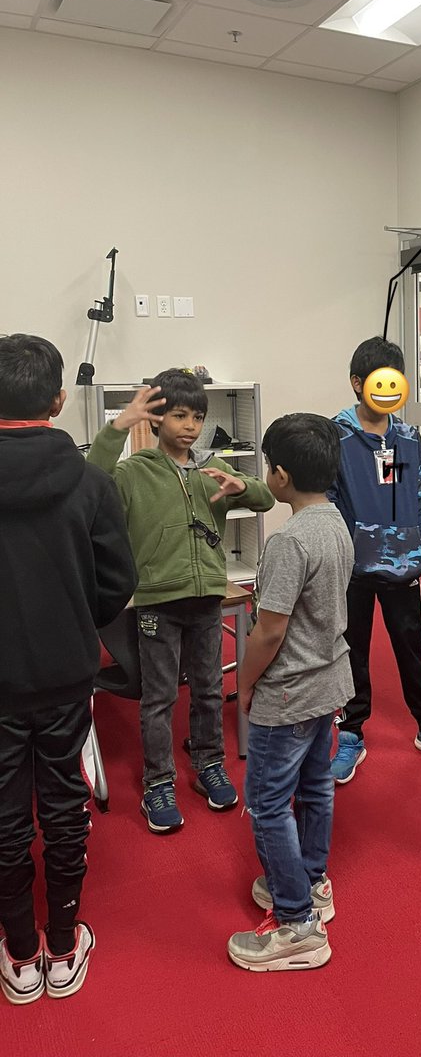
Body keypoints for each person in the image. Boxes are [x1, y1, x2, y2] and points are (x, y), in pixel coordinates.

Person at [0, 335, 136, 1004]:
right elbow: (118, 583)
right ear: (58, 400)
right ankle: (61, 944)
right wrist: (79, 618)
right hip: (64, 674)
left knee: (2, 816)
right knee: (63, 805)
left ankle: (19, 955)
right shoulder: (91, 482)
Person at [87, 369, 275, 833]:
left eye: (198, 416)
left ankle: (210, 763)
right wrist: (115, 429)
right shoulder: (133, 472)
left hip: (207, 599)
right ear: (157, 420)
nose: (190, 425)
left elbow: (267, 497)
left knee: (209, 687)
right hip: (156, 602)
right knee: (159, 696)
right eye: (179, 415)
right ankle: (158, 782)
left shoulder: (213, 468)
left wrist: (241, 488)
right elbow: (90, 481)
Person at [227, 413, 353, 972]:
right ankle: (312, 877)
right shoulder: (335, 521)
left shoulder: (289, 541)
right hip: (328, 679)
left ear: (278, 476)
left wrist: (245, 683)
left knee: (270, 802)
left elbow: (269, 630)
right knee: (316, 785)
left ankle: (298, 922)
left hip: (289, 692)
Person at [329, 338, 421, 782]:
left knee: (412, 646)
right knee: (351, 646)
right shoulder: (334, 436)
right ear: (357, 383)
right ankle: (350, 733)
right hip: (352, 567)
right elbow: (329, 499)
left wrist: (419, 548)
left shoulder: (405, 437)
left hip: (403, 563)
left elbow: (406, 492)